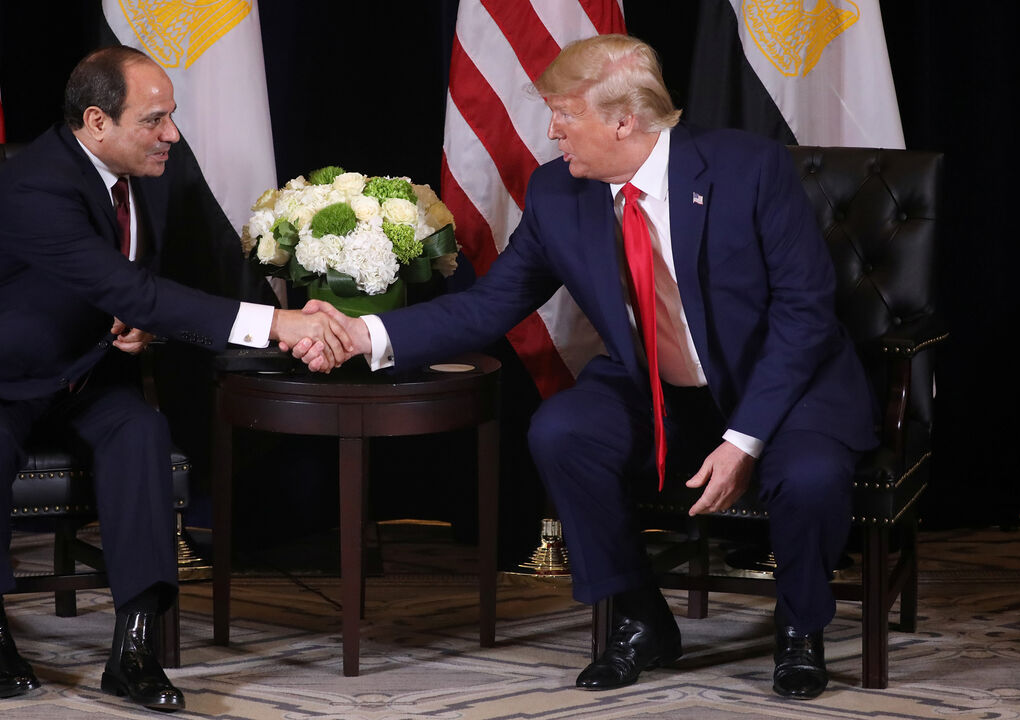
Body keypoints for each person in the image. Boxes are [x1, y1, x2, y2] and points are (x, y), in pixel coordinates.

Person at [294, 34, 876, 700]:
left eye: (565, 115)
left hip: (784, 386)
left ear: (623, 120)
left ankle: (801, 630)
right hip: (657, 389)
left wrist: (744, 439)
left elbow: (805, 315)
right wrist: (361, 334)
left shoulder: (750, 169)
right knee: (562, 431)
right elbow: (488, 308)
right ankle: (639, 617)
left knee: (810, 476)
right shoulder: (558, 195)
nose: (552, 131)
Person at [0, 46, 350, 710]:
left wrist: (141, 325)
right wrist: (277, 326)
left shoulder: (154, 169)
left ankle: (134, 648)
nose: (171, 133)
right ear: (96, 122)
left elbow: (148, 292)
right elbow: (126, 284)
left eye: (172, 117)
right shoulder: (38, 187)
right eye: (154, 119)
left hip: (82, 369)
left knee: (142, 432)